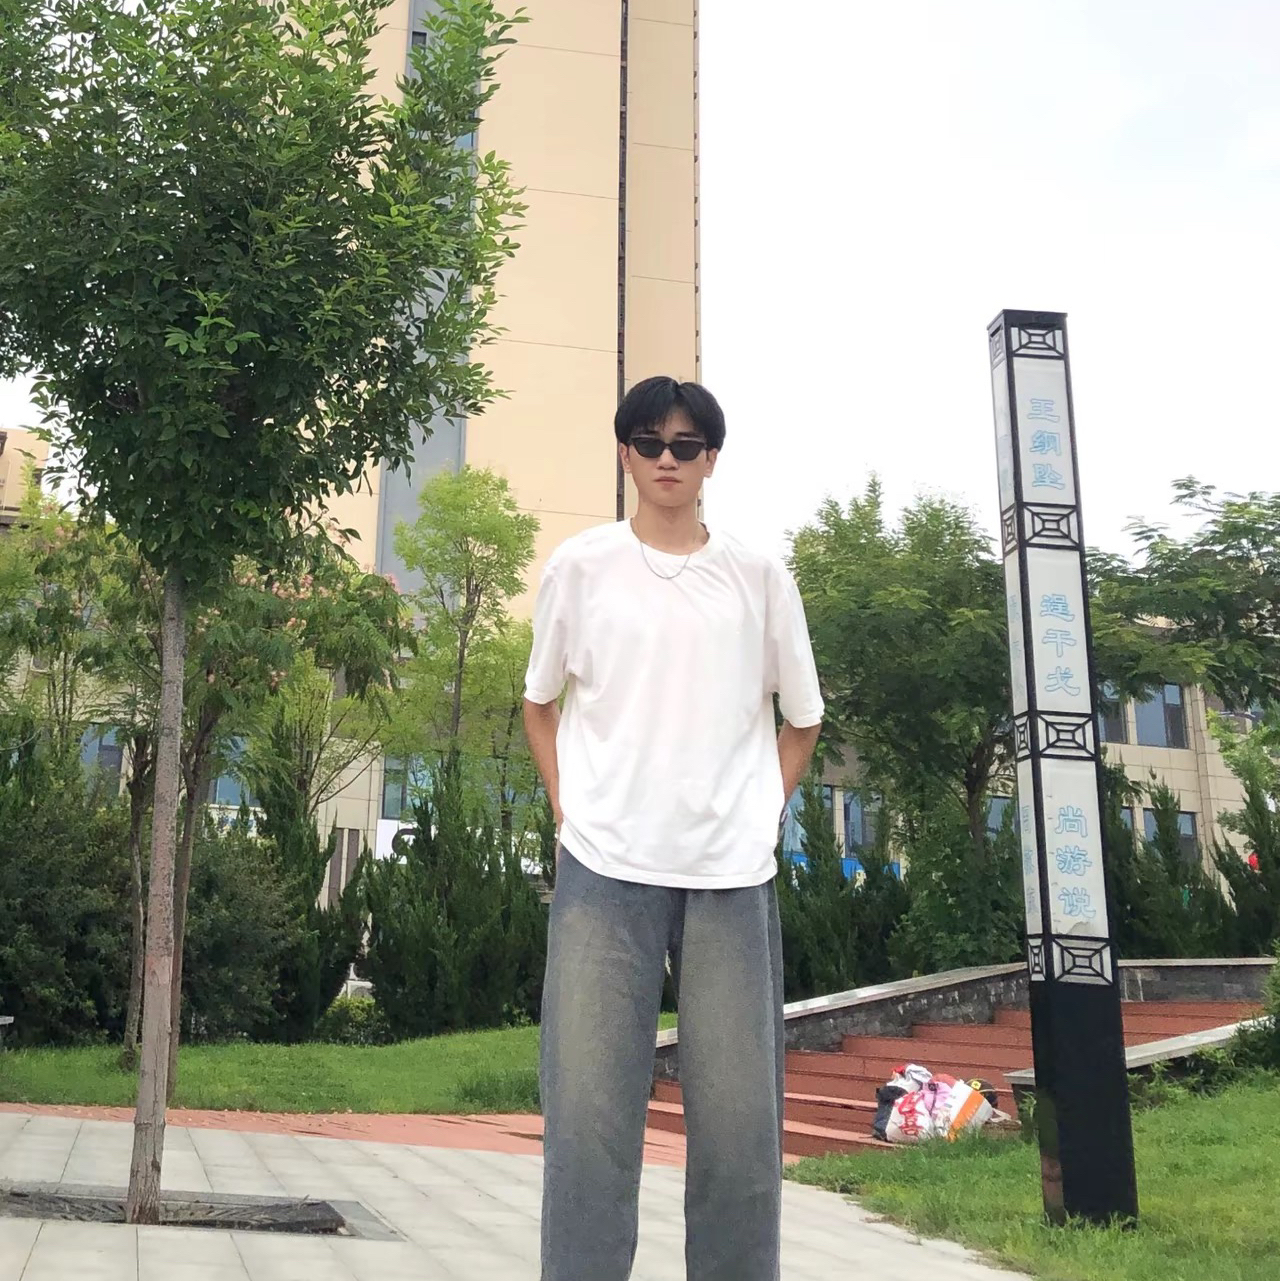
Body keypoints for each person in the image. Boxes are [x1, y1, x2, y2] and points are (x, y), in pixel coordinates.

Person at [523, 375, 824, 1280]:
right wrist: (566, 802)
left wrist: (762, 809)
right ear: (625, 453)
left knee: (738, 1130)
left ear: (711, 460)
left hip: (731, 876)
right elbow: (540, 702)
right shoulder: (580, 567)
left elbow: (802, 718)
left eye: (685, 445)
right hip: (602, 868)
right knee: (587, 1121)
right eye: (649, 442)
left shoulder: (758, 578)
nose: (666, 458)